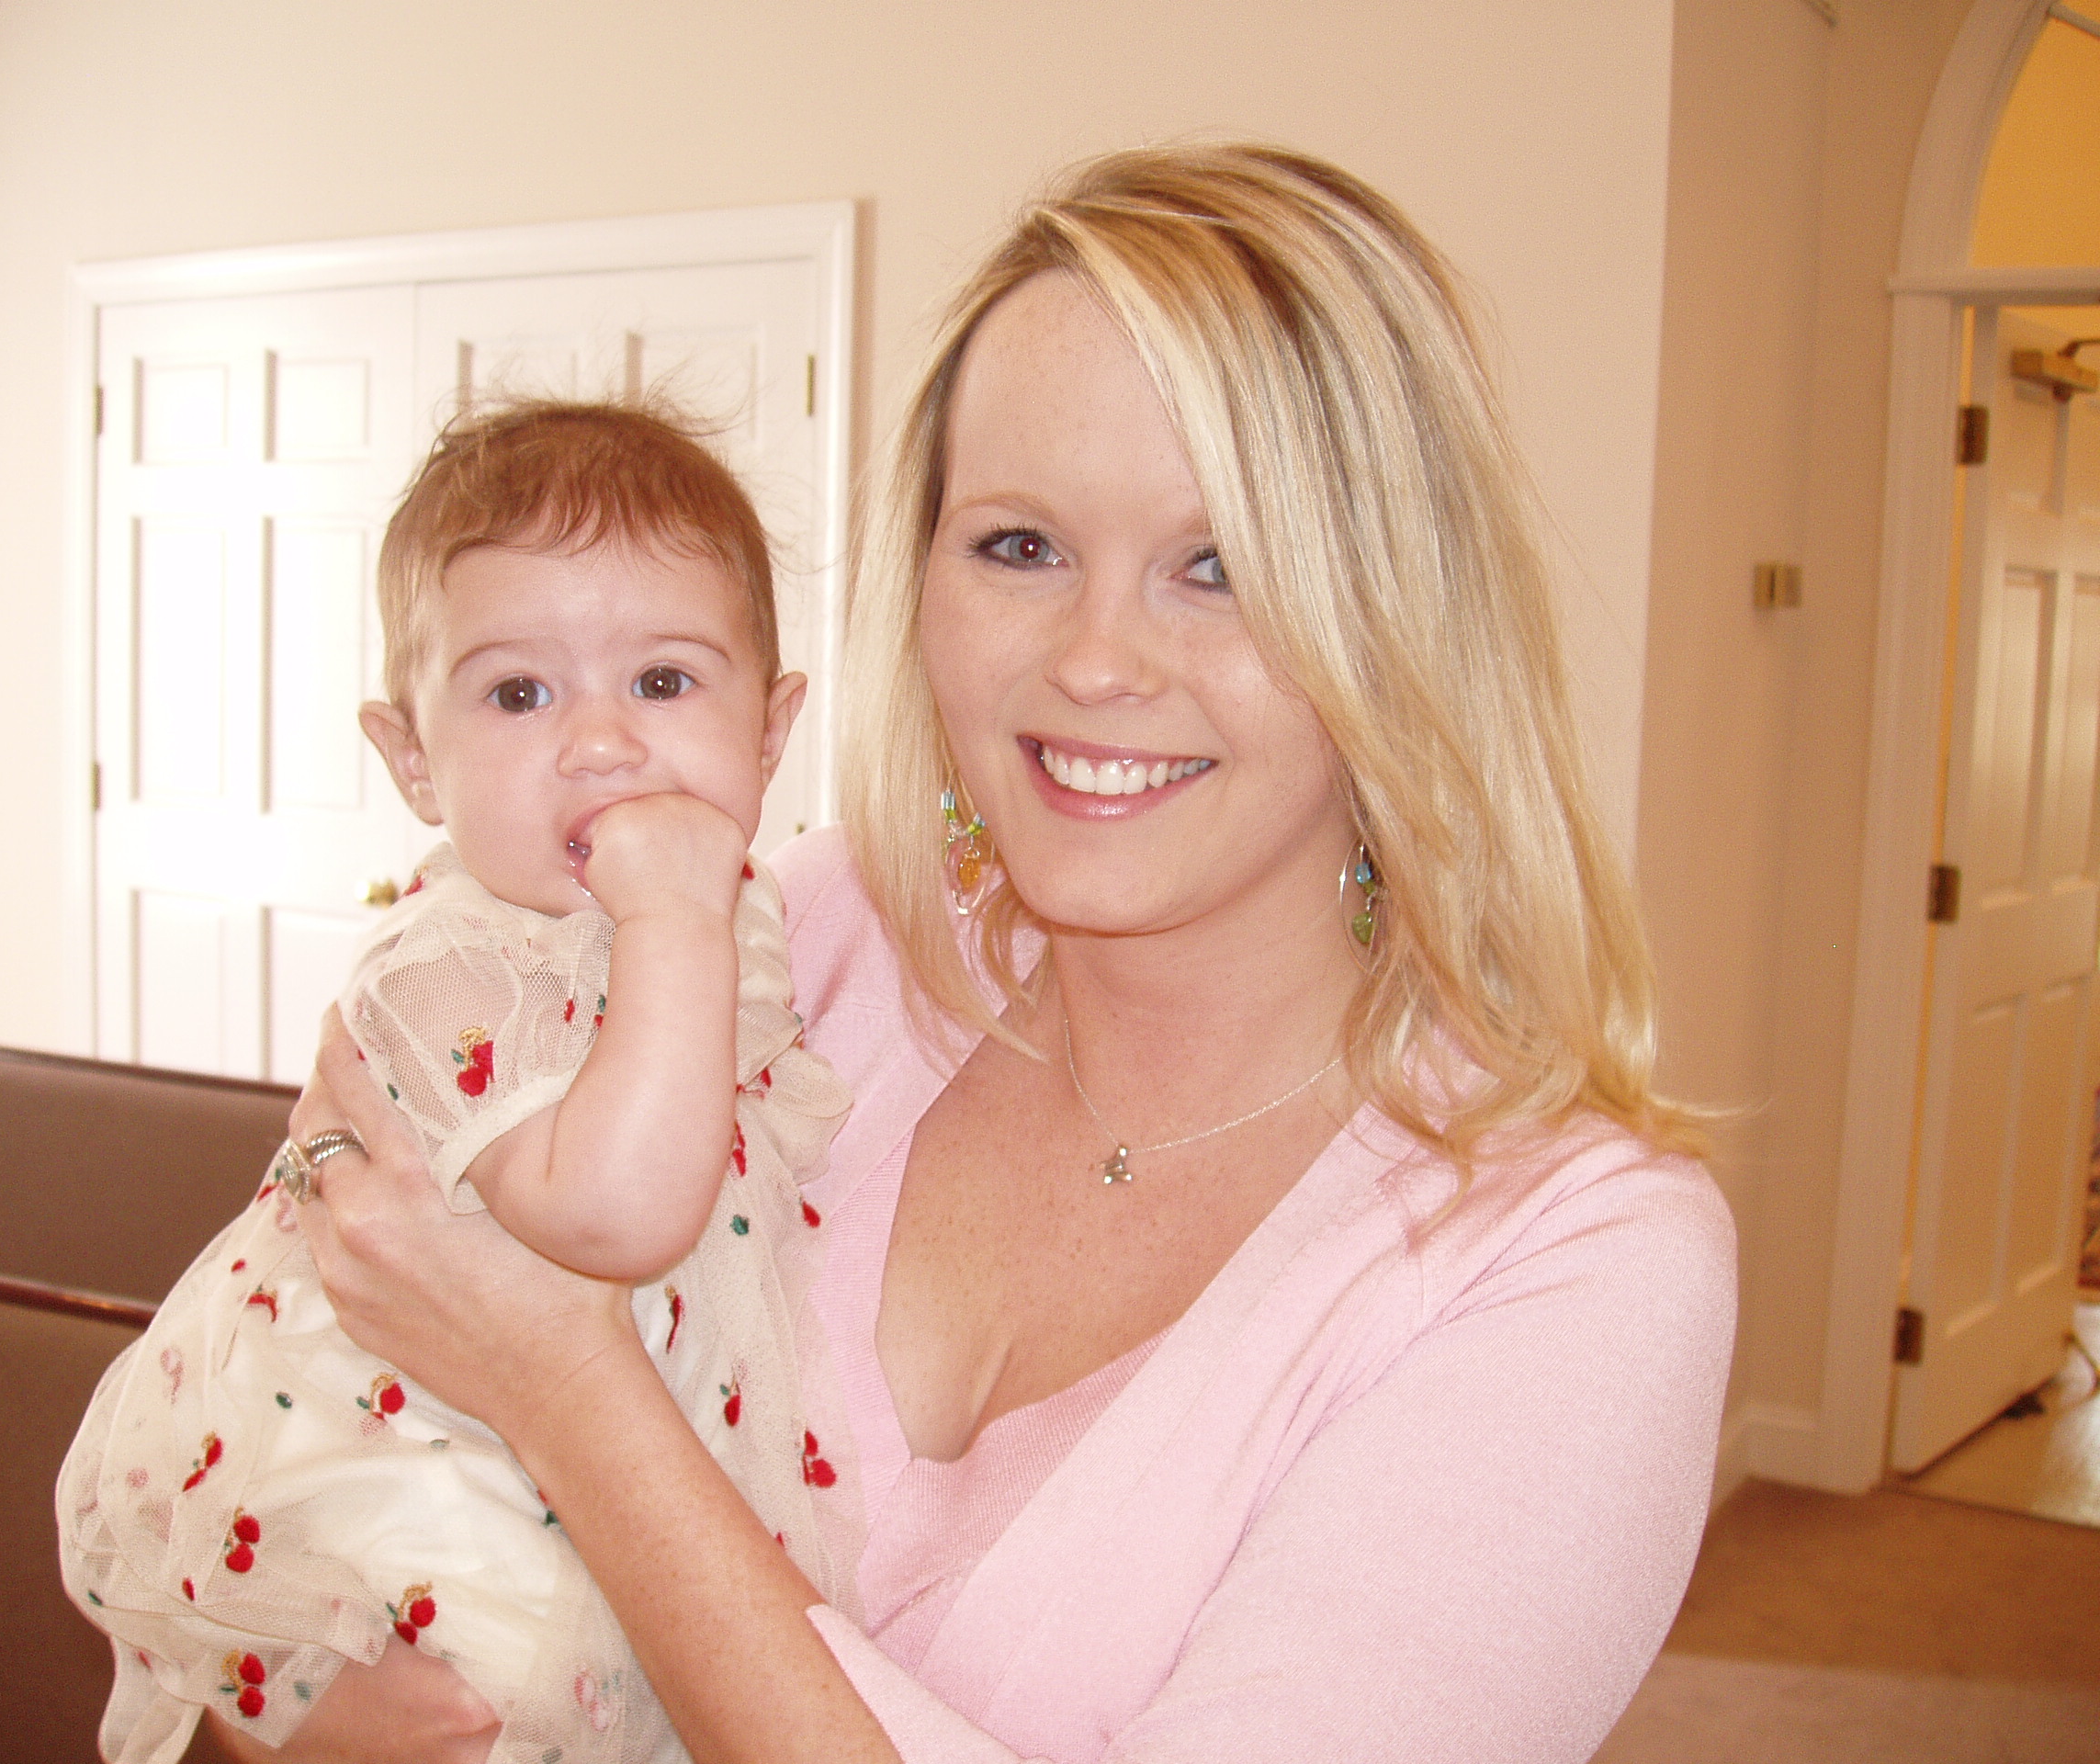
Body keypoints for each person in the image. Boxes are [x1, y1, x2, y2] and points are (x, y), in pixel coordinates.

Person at [247, 143, 1738, 1764]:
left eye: (1221, 564)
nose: (1096, 661)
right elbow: (288, 1438)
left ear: (1396, 619)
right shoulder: (785, 947)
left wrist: (566, 1393)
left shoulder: (1569, 1255)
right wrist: (289, 1713)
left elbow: (520, 1357)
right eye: (1020, 547)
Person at [58, 401, 853, 1764]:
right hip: (413, 1468)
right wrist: (673, 921)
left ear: (771, 735)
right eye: (519, 694)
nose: (600, 742)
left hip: (597, 1450)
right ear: (413, 760)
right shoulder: (456, 965)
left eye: (665, 682)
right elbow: (617, 1215)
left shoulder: (755, 914)